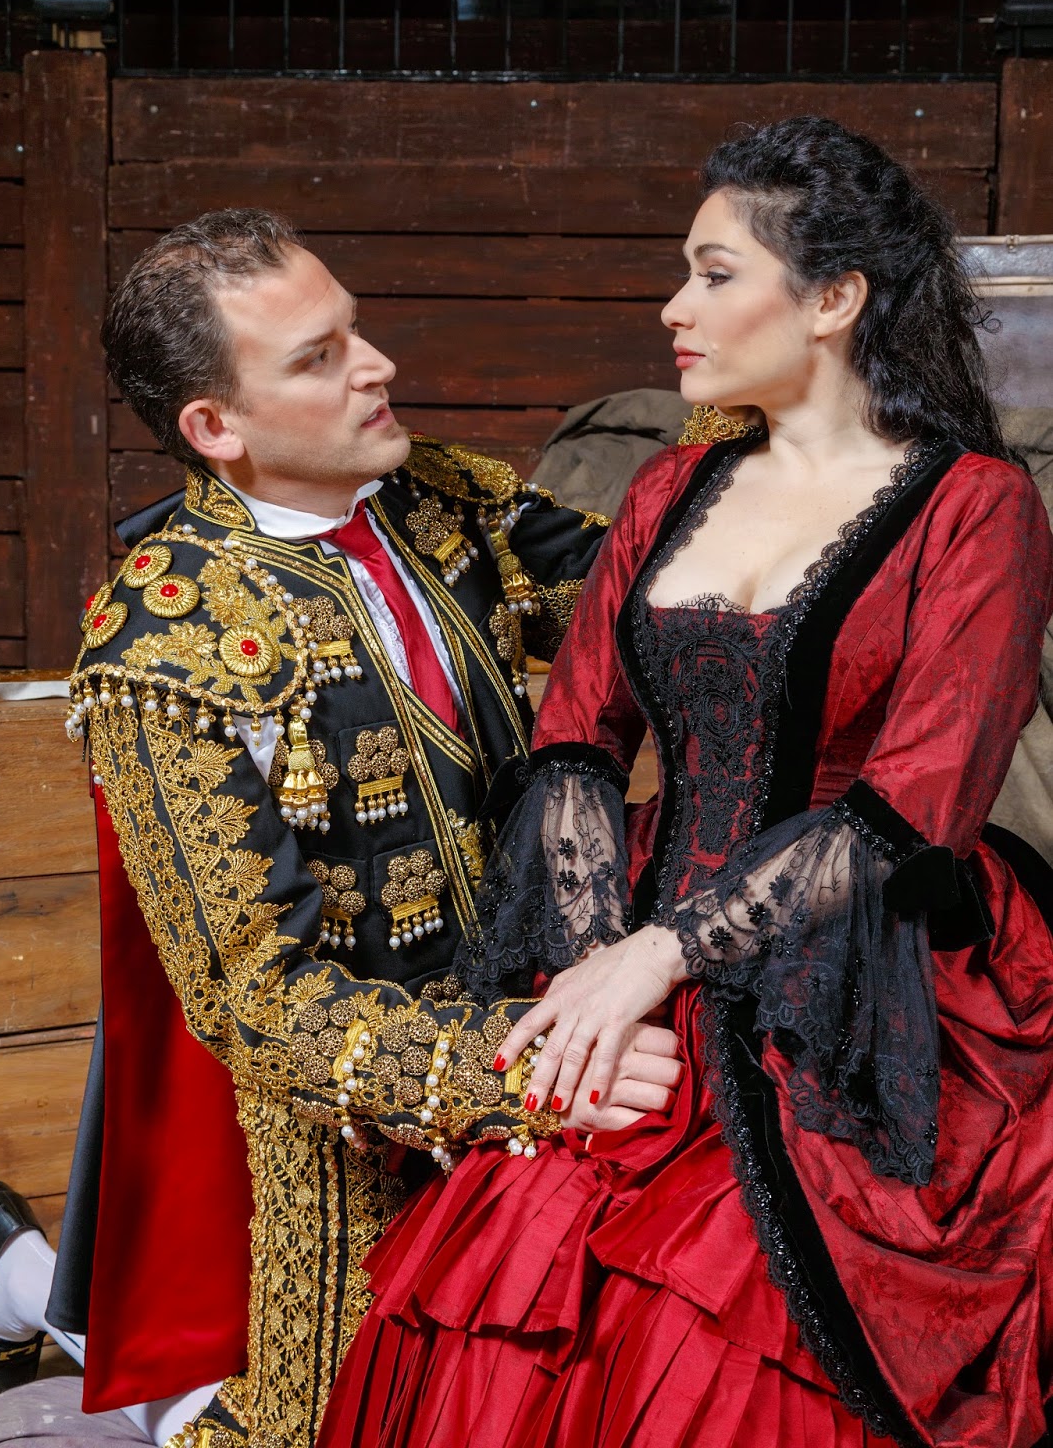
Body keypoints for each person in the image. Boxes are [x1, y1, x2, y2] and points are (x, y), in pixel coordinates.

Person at [318, 116, 1053, 1448]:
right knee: (520, 1248)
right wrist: (592, 974)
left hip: (862, 969)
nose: (674, 306)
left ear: (832, 299)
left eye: (715, 274)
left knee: (716, 1323)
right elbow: (576, 743)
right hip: (633, 934)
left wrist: (659, 955)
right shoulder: (668, 490)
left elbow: (912, 809)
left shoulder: (975, 507)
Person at [0, 210, 685, 1448]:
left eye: (353, 331)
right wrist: (518, 1072)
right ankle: (9, 1274)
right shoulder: (162, 645)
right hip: (347, 1121)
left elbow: (657, 598)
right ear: (217, 428)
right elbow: (258, 1003)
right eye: (319, 357)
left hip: (552, 1000)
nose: (377, 365)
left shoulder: (439, 496)